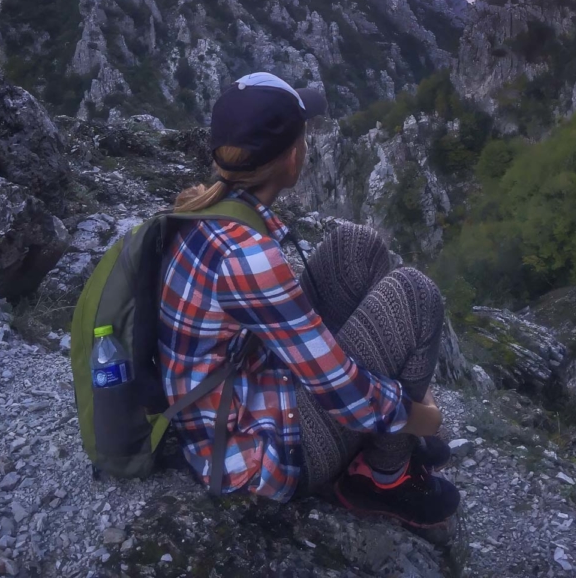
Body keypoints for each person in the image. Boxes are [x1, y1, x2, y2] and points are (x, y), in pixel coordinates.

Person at [159, 72, 460, 528]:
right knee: (416, 295)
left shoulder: (203, 211)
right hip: (251, 456)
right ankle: (384, 477)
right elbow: (347, 396)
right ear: (293, 157)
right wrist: (425, 418)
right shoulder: (248, 256)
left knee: (357, 246)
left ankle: (391, 443)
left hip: (242, 386)